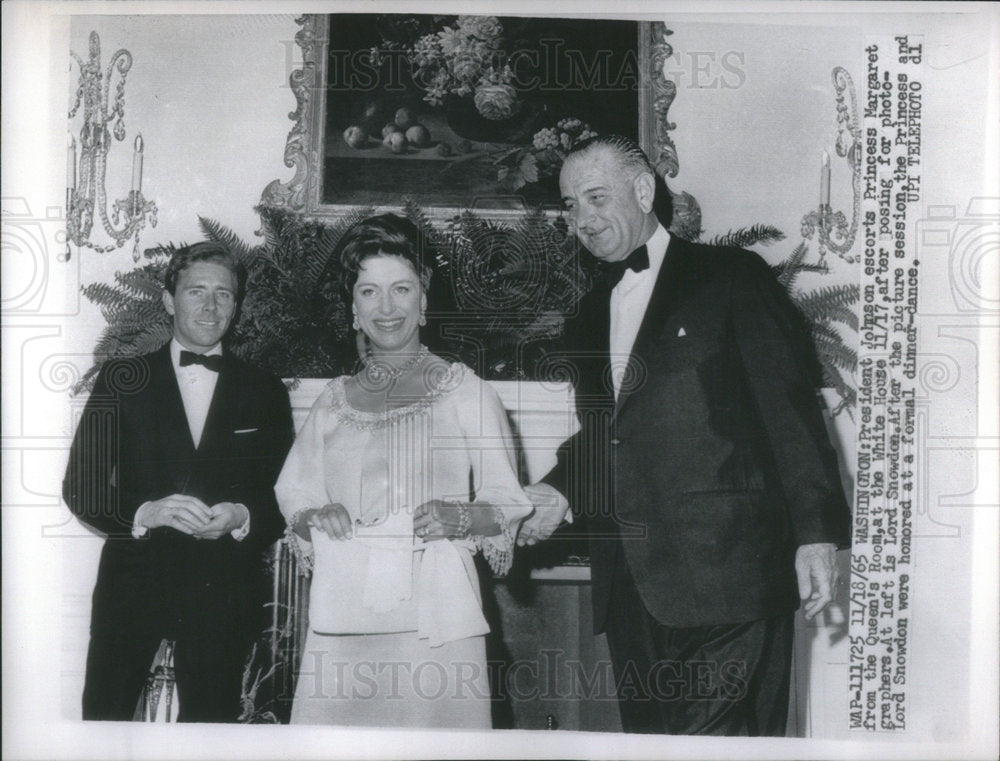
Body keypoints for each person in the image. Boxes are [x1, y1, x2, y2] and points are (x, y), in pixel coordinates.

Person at [519, 135, 852, 735]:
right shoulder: (590, 310)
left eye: (596, 197)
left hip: (732, 579)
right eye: (570, 205)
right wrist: (558, 492)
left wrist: (816, 534)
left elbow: (788, 411)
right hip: (631, 590)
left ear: (644, 191)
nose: (582, 219)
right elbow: (606, 436)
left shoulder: (731, 276)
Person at [275, 213, 531, 728]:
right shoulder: (332, 401)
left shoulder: (467, 391)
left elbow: (509, 500)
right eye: (369, 292)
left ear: (424, 299)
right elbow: (294, 494)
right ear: (353, 308)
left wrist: (460, 517)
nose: (386, 308)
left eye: (401, 289)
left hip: (438, 619)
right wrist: (317, 516)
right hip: (343, 612)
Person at [63, 242, 294, 722]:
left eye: (223, 295)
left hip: (222, 592)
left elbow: (284, 498)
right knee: (104, 722)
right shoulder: (120, 377)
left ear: (237, 303)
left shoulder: (265, 390)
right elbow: (81, 486)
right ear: (169, 300)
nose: (210, 307)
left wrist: (242, 515)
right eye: (196, 292)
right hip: (131, 586)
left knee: (210, 735)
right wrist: (144, 513)